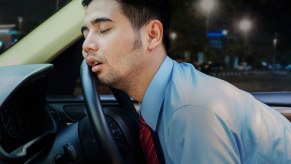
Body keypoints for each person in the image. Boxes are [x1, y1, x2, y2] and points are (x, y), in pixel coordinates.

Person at [81, 0, 291, 163]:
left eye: (104, 29)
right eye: (85, 33)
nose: (87, 44)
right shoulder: (167, 94)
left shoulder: (191, 112)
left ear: (152, 35)